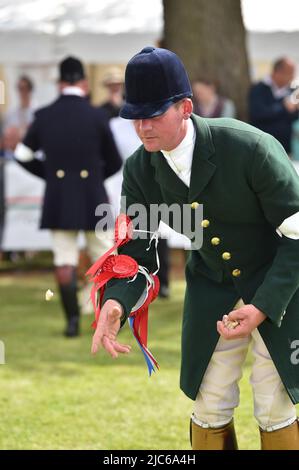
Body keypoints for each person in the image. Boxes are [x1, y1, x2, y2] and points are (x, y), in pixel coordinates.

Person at [90, 47, 299, 451]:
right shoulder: (139, 169)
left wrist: (263, 305)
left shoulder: (250, 147)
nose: (143, 128)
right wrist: (115, 303)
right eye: (136, 117)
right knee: (209, 405)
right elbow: (136, 248)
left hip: (279, 286)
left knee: (274, 406)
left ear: (185, 107)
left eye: (154, 115)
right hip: (210, 290)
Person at [14, 56, 122, 337]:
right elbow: (115, 161)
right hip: (93, 196)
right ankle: (108, 320)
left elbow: (22, 155)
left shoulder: (44, 115)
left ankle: (72, 321)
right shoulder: (98, 115)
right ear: (84, 83)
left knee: (64, 260)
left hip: (59, 198)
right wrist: (95, 178)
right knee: (106, 259)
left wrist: (50, 175)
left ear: (60, 83)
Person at [249, 57, 299, 154]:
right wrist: (283, 107)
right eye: (289, 73)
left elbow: (292, 119)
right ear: (278, 73)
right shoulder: (259, 89)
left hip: (285, 149)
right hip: (261, 146)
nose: (292, 77)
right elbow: (258, 114)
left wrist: (295, 109)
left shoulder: (292, 91)